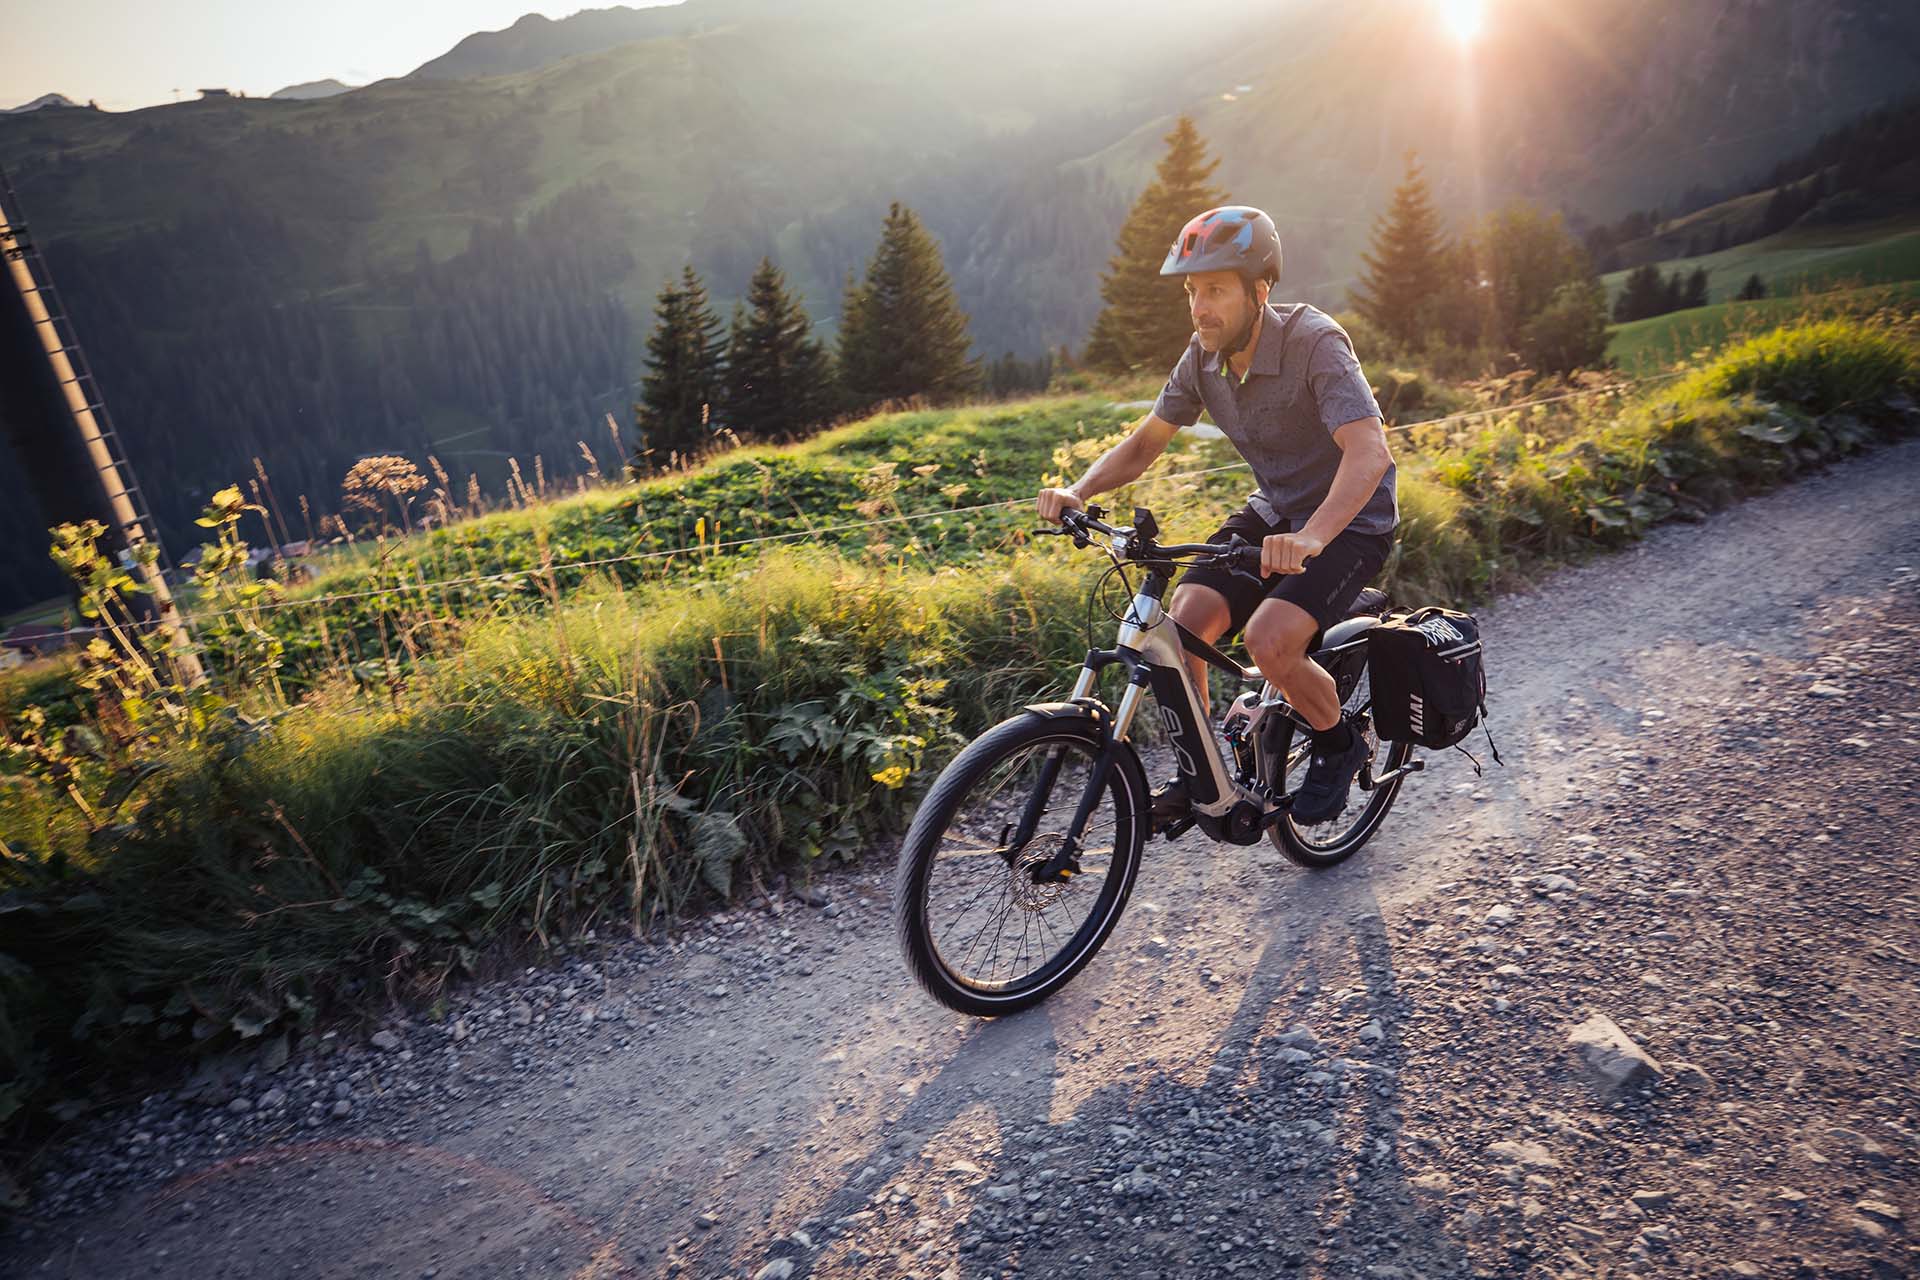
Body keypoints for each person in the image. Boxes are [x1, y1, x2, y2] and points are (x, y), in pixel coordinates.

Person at [1035, 205, 1398, 825]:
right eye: (1193, 291)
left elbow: (1369, 451)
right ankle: (1202, 770)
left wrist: (1311, 536)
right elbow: (1146, 442)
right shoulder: (1202, 358)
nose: (1200, 307)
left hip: (1350, 520)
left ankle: (1340, 745)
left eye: (1216, 291)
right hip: (1274, 510)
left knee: (1268, 639)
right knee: (1184, 624)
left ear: (1259, 292)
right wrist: (1081, 490)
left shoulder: (1314, 342)